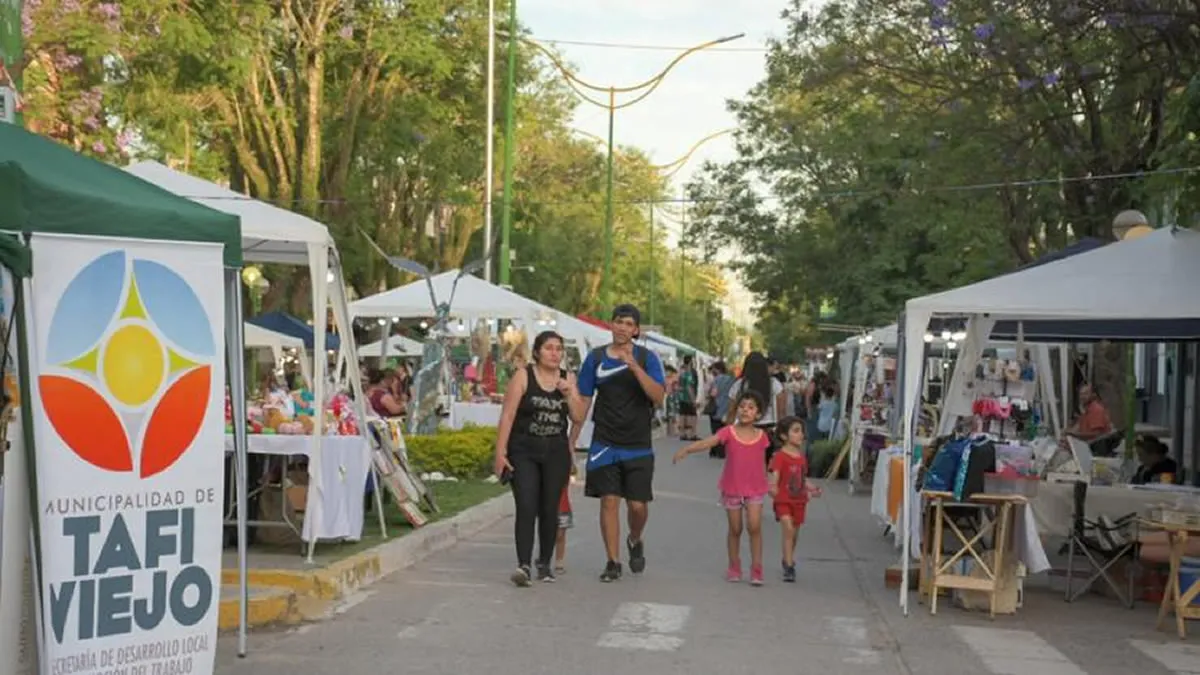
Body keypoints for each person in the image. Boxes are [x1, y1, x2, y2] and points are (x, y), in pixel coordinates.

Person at [577, 304, 667, 583]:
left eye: (629, 324)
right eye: (619, 322)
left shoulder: (646, 357)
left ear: (636, 330)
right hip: (605, 441)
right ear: (610, 325)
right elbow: (583, 399)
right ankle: (612, 561)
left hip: (637, 443)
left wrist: (634, 367)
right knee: (609, 501)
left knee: (637, 506)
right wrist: (571, 436)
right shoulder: (594, 358)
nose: (623, 328)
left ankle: (635, 538)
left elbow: (658, 396)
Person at [494, 331, 589, 586]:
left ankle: (544, 563)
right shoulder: (524, 376)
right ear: (537, 352)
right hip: (524, 450)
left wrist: (570, 394)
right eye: (548, 348)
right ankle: (523, 564)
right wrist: (500, 453)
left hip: (555, 452)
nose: (554, 353)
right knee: (526, 505)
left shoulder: (568, 378)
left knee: (549, 509)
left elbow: (579, 417)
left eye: (559, 348)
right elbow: (508, 415)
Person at [674, 391, 771, 585]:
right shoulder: (729, 432)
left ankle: (757, 568)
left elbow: (766, 464)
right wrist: (687, 449)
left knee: (754, 526)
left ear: (758, 415)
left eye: (751, 408)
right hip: (732, 487)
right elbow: (709, 442)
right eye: (742, 406)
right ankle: (734, 566)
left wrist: (773, 483)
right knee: (735, 528)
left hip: (755, 489)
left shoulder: (762, 437)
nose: (745, 410)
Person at [769, 417, 823, 582]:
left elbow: (801, 478)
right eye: (796, 431)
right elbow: (775, 476)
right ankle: (789, 566)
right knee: (788, 527)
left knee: (794, 532)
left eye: (801, 431)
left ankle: (787, 557)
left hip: (799, 501)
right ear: (784, 436)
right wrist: (773, 487)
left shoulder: (801, 457)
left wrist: (811, 487)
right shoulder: (779, 456)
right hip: (783, 500)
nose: (801, 435)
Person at [727, 351, 786, 466]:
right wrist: (781, 431)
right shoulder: (774, 384)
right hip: (767, 430)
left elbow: (731, 410)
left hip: (745, 430)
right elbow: (781, 410)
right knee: (764, 464)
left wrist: (728, 430)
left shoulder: (740, 384)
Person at [707, 361, 736, 457]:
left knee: (715, 429)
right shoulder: (732, 379)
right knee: (724, 429)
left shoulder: (717, 379)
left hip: (716, 407)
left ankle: (715, 450)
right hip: (727, 407)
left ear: (718, 369)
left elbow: (713, 393)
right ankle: (722, 449)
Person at [677, 355, 700, 440]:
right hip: (688, 398)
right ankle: (692, 435)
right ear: (690, 362)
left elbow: (678, 385)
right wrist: (693, 400)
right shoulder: (690, 373)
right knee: (692, 415)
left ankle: (682, 434)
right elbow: (689, 387)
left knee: (683, 414)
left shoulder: (681, 371)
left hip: (681, 397)